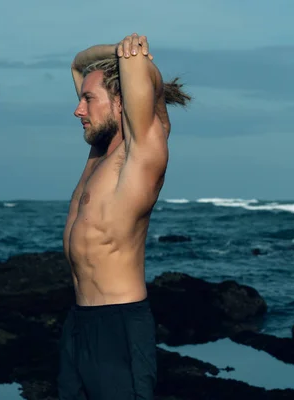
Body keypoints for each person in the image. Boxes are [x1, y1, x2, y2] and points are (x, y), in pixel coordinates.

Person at [58, 33, 191, 400]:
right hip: (78, 325)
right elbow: (77, 62)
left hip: (119, 327)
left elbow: (135, 71)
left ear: (121, 104)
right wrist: (115, 50)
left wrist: (131, 55)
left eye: (88, 100)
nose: (78, 110)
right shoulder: (99, 152)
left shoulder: (142, 154)